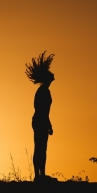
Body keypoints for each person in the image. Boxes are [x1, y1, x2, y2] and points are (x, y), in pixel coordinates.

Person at [25, 51, 55, 180]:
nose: (53, 74)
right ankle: (39, 175)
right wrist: (48, 124)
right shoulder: (43, 91)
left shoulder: (44, 90)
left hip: (39, 121)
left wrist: (48, 123)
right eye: (50, 73)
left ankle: (40, 174)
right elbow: (42, 110)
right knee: (40, 148)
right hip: (40, 121)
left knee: (40, 148)